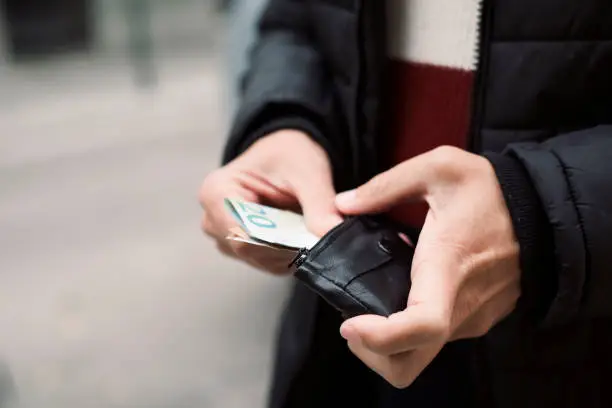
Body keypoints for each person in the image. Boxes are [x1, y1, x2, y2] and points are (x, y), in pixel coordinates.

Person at [199, 0, 612, 407]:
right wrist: (286, 120)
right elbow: (294, 20)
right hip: (342, 315)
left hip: (573, 335)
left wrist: (538, 210)